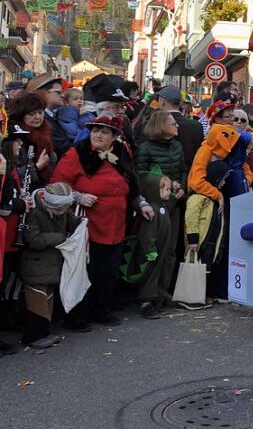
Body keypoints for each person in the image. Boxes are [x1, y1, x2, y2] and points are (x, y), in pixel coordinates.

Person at [53, 116, 154, 329]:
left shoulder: (120, 154)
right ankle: (76, 316)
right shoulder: (77, 154)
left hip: (116, 224)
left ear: (114, 137)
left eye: (104, 132)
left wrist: (141, 204)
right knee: (85, 271)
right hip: (87, 224)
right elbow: (56, 186)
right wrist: (78, 196)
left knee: (108, 271)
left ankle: (101, 310)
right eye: (95, 130)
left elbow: (131, 185)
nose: (98, 134)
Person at [187, 120, 252, 299]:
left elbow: (244, 166)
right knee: (205, 248)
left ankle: (214, 290)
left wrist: (246, 180)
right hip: (207, 203)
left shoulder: (229, 151)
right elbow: (196, 181)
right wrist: (217, 194)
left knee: (217, 248)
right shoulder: (206, 151)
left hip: (219, 203)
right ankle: (198, 293)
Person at [19, 182, 81, 348]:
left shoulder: (61, 209)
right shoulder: (33, 212)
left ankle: (43, 332)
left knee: (47, 298)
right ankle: (32, 336)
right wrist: (61, 238)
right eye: (59, 210)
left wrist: (79, 223)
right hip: (35, 262)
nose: (62, 213)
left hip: (51, 262)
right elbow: (32, 239)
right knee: (36, 300)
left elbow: (69, 220)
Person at [0, 124, 34, 352]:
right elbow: (3, 206)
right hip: (5, 234)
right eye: (17, 140)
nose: (21, 145)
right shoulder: (3, 167)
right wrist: (22, 204)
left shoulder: (10, 167)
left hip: (9, 234)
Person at [182, 160, 229, 310]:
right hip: (200, 240)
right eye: (222, 179)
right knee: (196, 267)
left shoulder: (213, 198)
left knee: (205, 269)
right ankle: (190, 298)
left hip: (210, 241)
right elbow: (191, 217)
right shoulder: (198, 197)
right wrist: (193, 238)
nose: (224, 182)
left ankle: (200, 296)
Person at [136, 171, 182, 319]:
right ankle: (146, 304)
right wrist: (150, 249)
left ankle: (157, 300)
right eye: (166, 189)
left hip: (161, 251)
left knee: (159, 275)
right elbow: (147, 234)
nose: (169, 192)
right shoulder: (153, 211)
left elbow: (169, 205)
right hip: (153, 253)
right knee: (150, 276)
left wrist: (174, 196)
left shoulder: (161, 207)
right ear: (155, 191)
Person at [135, 111, 186, 193]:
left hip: (175, 196)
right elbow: (141, 177)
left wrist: (182, 187)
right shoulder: (145, 149)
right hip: (155, 197)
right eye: (173, 124)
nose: (177, 125)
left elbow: (183, 169)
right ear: (162, 126)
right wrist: (168, 184)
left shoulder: (177, 145)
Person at [8, 94, 55, 184]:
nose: (37, 117)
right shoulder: (14, 138)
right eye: (31, 114)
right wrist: (37, 167)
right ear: (21, 115)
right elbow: (13, 173)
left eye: (40, 112)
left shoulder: (45, 132)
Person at [155, 86, 203, 172]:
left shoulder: (155, 123)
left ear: (162, 102)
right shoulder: (196, 126)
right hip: (189, 176)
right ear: (180, 103)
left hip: (161, 178)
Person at [55, 87, 87, 160]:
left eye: (81, 99)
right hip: (74, 144)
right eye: (75, 99)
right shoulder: (65, 113)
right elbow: (73, 132)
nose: (79, 101)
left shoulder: (83, 111)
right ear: (66, 102)